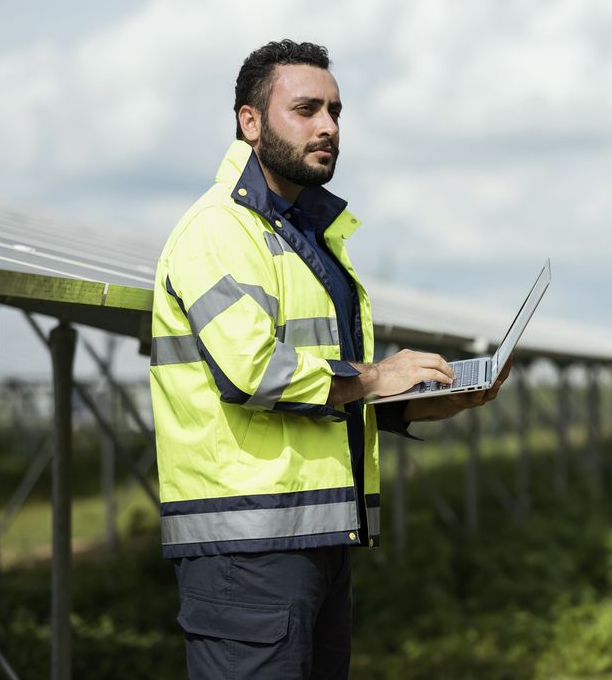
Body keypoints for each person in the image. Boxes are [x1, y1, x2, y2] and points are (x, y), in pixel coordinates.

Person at [149, 39, 511, 679]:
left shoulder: (307, 236)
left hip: (316, 535)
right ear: (250, 122)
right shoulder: (217, 231)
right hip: (247, 547)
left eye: (336, 112)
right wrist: (377, 377)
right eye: (306, 109)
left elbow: (327, 387)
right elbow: (254, 373)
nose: (329, 127)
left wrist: (410, 405)